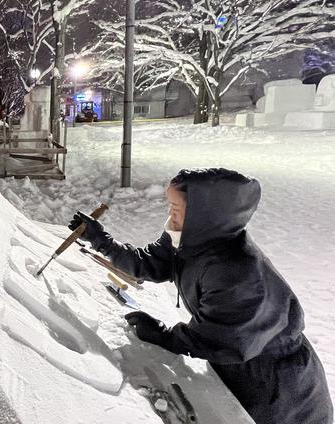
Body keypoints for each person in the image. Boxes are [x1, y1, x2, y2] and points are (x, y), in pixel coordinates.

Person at [69, 168, 332, 424]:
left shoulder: (235, 270)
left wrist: (165, 337)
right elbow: (151, 263)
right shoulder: (190, 237)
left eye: (177, 209)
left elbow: (221, 337)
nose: (170, 217)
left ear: (205, 215)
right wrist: (101, 240)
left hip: (277, 387)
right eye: (169, 206)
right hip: (238, 365)